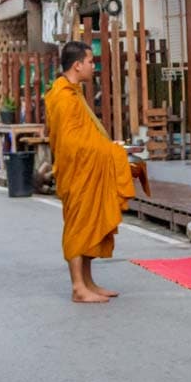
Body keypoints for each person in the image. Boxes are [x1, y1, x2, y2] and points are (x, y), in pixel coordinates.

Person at [44, 41, 148, 303]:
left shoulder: (74, 92)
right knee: (79, 226)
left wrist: (107, 147)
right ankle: (78, 287)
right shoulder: (63, 97)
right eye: (91, 61)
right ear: (77, 65)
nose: (93, 66)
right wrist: (109, 152)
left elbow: (84, 135)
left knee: (90, 225)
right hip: (78, 171)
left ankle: (88, 281)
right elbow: (71, 143)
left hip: (87, 168)